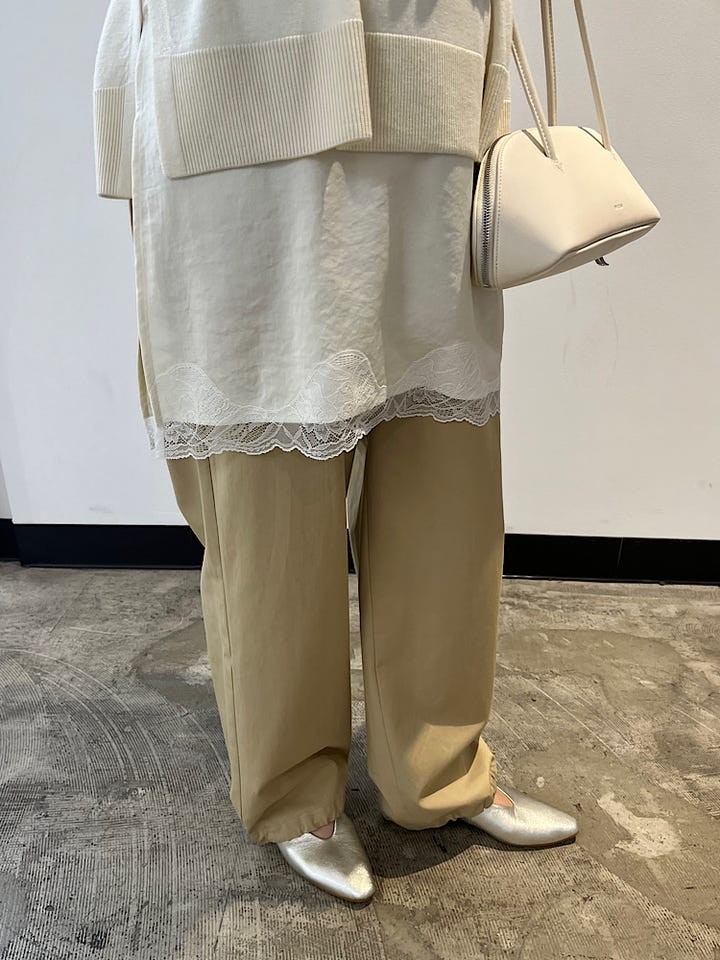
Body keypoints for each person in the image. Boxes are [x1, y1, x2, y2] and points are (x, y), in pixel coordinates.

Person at [94, 0, 579, 903]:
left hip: (426, 63)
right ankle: (292, 792)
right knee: (266, 483)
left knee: (443, 463)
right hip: (243, 67)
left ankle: (438, 770)